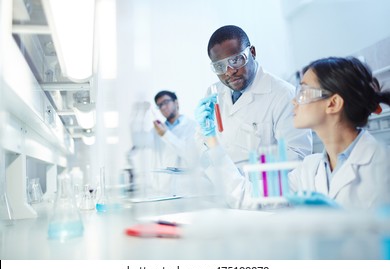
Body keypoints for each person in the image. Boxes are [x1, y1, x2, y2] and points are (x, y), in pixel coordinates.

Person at [197, 56, 390, 210]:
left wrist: (343, 221)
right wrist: (212, 141)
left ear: (333, 103)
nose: (294, 101)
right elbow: (250, 198)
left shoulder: (382, 164)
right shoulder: (310, 169)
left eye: (304, 92)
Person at [195, 25, 312, 169]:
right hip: (223, 187)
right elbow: (202, 145)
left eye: (236, 60)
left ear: (252, 52)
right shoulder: (213, 93)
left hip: (263, 188)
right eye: (220, 67)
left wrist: (247, 179)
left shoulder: (283, 94)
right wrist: (206, 142)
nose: (229, 71)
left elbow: (298, 156)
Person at [128, 90, 197, 196]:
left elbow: (190, 154)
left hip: (186, 192)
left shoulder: (193, 126)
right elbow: (137, 141)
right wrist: (139, 115)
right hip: (163, 191)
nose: (163, 107)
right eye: (159, 105)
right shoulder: (156, 131)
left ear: (176, 102)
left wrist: (166, 134)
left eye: (166, 102)